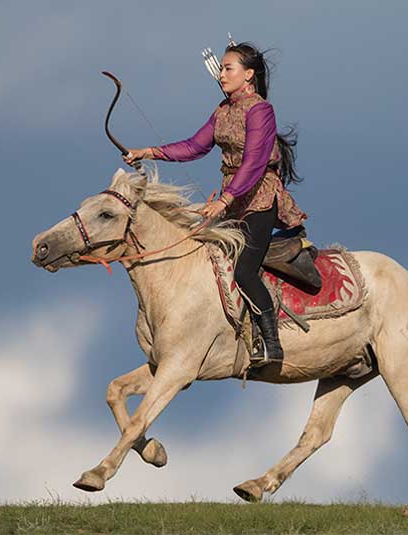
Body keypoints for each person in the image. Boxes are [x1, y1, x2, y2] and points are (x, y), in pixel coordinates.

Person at [123, 42, 307, 365]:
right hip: (235, 201)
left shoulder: (261, 111)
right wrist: (148, 152)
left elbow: (253, 164)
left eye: (228, 68)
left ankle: (272, 344)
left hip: (260, 200)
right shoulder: (222, 111)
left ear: (248, 75)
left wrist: (223, 202)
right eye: (221, 68)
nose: (221, 74)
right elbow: (195, 146)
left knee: (245, 271)